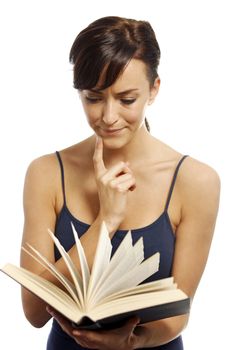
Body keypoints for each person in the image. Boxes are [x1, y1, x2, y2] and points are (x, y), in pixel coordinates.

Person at [20, 16, 220, 350]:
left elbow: (176, 316)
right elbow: (34, 311)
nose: (108, 116)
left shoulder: (195, 181)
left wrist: (129, 344)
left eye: (126, 99)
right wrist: (106, 221)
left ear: (153, 90)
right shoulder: (46, 173)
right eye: (93, 97)